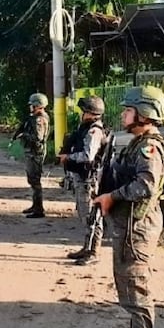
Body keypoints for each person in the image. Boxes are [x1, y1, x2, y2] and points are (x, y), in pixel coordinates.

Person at [91, 86, 164, 328]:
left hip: (137, 230)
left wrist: (113, 196)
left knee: (137, 290)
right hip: (128, 228)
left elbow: (146, 186)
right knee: (127, 286)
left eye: (128, 110)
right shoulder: (137, 143)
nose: (123, 114)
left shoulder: (149, 147)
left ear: (144, 113)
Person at [57, 96, 109, 265]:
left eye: (84, 111)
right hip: (82, 178)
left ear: (92, 113)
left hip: (89, 181)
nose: (82, 114)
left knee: (92, 216)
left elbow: (88, 156)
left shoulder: (94, 131)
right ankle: (86, 248)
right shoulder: (86, 129)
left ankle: (93, 252)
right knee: (84, 215)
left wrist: (68, 157)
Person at [13, 92, 50, 218]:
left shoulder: (39, 120)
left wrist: (24, 135)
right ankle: (35, 205)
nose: (31, 107)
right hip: (32, 152)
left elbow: (37, 138)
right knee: (32, 180)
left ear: (38, 106)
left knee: (35, 181)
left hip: (35, 153)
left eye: (33, 105)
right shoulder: (34, 118)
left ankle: (39, 209)